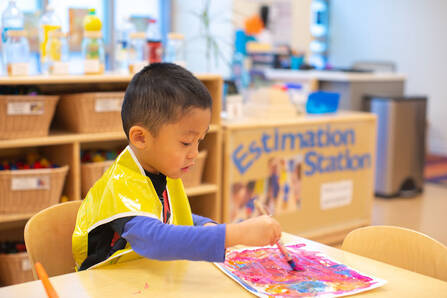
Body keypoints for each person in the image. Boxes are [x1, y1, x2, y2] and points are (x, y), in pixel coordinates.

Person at [72, 63, 282, 271]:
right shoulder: (121, 184)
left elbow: (167, 215)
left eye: (199, 140)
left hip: (141, 278)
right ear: (140, 137)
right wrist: (235, 233)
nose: (195, 153)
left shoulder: (159, 170)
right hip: (103, 286)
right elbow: (155, 240)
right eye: (186, 142)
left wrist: (204, 226)